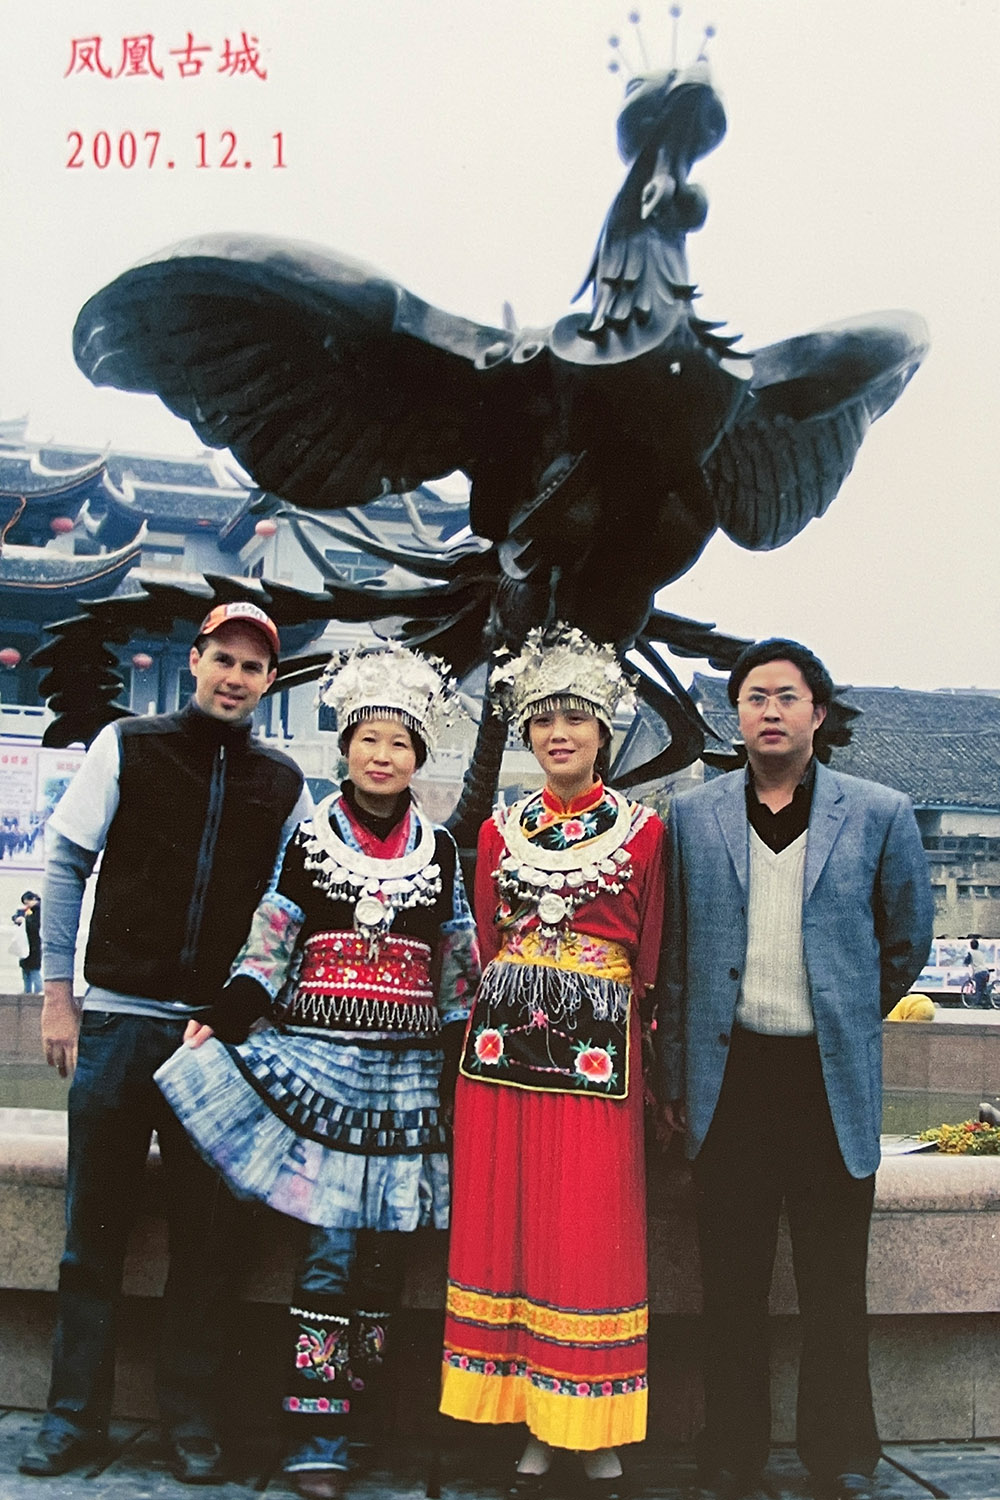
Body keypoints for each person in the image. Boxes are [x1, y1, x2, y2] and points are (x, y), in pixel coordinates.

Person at [156, 642, 479, 1500]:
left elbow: (457, 973)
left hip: (406, 1081)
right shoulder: (309, 840)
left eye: (401, 744)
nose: (383, 756)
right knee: (330, 1255)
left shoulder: (442, 853)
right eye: (369, 740)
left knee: (383, 1263)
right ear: (345, 750)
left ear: (419, 757)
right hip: (319, 1068)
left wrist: (460, 1060)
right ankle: (317, 1432)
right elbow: (270, 945)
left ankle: (363, 1417)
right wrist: (223, 1018)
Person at [19, 600, 311, 1484]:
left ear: (268, 681)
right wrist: (59, 997)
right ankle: (75, 1418)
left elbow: (282, 910)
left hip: (212, 1042)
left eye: (252, 666)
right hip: (115, 1020)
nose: (234, 676)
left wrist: (237, 1011)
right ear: (194, 661)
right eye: (222, 658)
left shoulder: (282, 781)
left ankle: (190, 1419)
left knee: (209, 1240)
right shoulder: (129, 746)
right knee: (89, 1239)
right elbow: (67, 861)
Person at [658, 637, 933, 1500]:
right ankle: (730, 1454)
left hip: (826, 1080)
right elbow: (671, 962)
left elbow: (906, 942)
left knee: (832, 1285)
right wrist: (672, 1081)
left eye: (787, 696)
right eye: (752, 697)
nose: (769, 711)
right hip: (729, 1080)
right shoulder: (690, 816)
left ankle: (843, 1457)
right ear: (732, 715)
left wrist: (843, 1013)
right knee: (730, 1284)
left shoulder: (881, 813)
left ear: (819, 713)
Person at [440, 624, 666, 1499]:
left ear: (605, 731)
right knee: (513, 1225)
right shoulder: (499, 834)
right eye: (542, 721)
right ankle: (531, 1420)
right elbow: (487, 944)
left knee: (586, 1230)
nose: (559, 733)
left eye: (576, 717)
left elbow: (652, 958)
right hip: (502, 1055)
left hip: (601, 1054)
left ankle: (592, 1424)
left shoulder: (644, 834)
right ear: (527, 735)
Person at [14, 890, 42, 993]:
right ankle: (27, 991)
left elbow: (36, 925)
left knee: (34, 970)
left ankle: (37, 991)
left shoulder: (39, 910)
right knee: (26, 970)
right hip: (26, 943)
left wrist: (25, 921)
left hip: (34, 944)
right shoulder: (29, 910)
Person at [964, 937, 991, 1008]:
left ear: (971, 946)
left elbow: (967, 961)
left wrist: (965, 963)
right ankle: (987, 1002)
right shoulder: (981, 953)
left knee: (978, 989)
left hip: (978, 972)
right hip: (985, 971)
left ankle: (976, 1004)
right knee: (983, 988)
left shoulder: (971, 953)